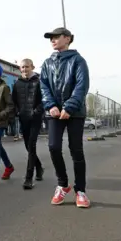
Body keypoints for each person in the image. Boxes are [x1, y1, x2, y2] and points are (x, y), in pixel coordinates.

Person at [40, 27, 91, 208]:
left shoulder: (78, 61)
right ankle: (62, 185)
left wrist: (69, 106)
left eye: (56, 37)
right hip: (54, 113)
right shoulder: (47, 63)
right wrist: (51, 105)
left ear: (67, 39)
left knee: (76, 149)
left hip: (75, 112)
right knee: (53, 146)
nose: (52, 40)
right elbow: (43, 85)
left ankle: (81, 190)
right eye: (51, 38)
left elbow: (82, 85)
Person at [12, 58, 45, 190]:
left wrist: (36, 112)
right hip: (23, 119)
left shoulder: (39, 82)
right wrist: (17, 112)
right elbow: (13, 100)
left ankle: (28, 178)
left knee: (31, 145)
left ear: (32, 67)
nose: (24, 69)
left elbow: (44, 100)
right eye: (22, 67)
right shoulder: (17, 83)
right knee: (28, 146)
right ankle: (39, 167)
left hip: (35, 119)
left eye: (27, 67)